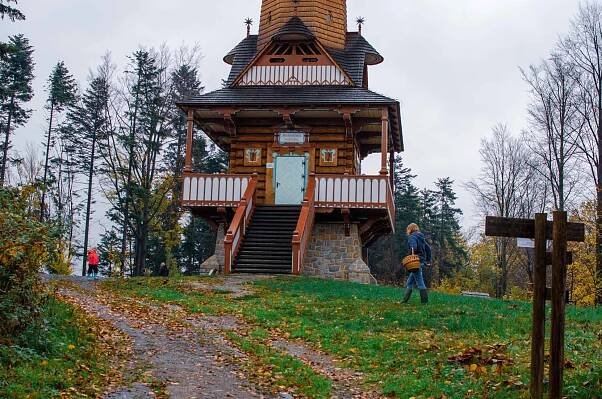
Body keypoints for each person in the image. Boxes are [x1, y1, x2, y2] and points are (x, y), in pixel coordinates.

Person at [402, 223, 432, 304]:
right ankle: (405, 300)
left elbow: (413, 247)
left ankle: (424, 302)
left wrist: (412, 256)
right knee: (410, 282)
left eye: (408, 229)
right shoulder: (421, 237)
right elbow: (428, 249)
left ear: (410, 229)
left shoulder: (412, 236)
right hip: (421, 261)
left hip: (415, 261)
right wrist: (428, 260)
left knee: (420, 281)